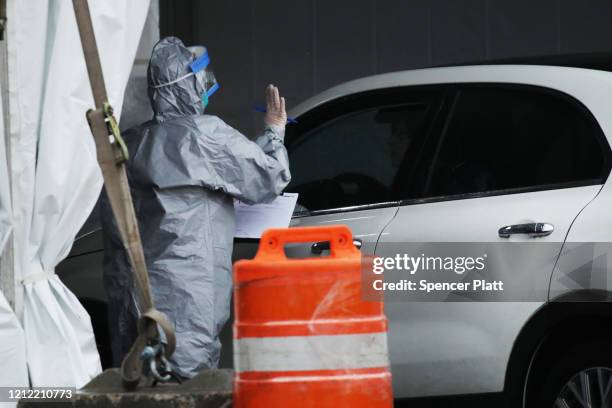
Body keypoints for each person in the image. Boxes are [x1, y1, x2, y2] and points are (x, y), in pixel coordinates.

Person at [100, 37, 291, 378]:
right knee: (189, 387)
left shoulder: (132, 142)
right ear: (187, 86)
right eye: (199, 81)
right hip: (189, 294)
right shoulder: (206, 136)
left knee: (141, 387)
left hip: (134, 296)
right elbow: (267, 178)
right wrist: (274, 131)